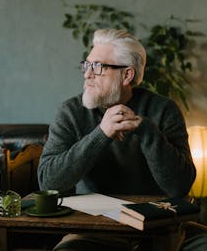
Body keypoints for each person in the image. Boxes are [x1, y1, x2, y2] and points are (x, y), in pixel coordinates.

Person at [38, 29, 196, 251]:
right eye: (87, 65)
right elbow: (48, 182)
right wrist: (100, 134)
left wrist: (146, 131)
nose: (87, 74)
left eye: (98, 67)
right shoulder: (71, 112)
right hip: (92, 231)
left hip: (157, 229)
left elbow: (180, 186)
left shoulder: (164, 109)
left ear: (127, 75)